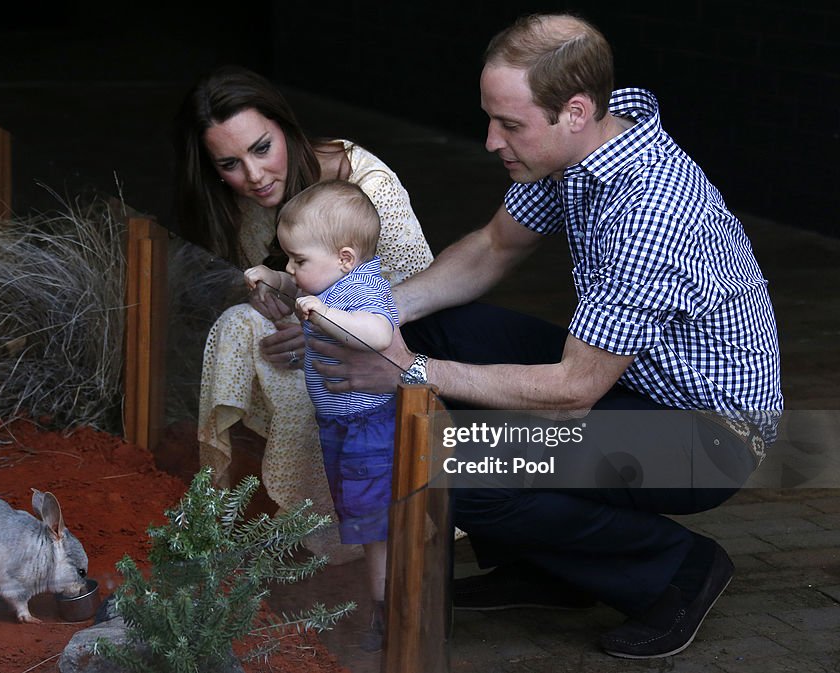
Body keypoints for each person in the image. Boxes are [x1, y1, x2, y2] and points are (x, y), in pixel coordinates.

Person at [310, 12, 783, 659]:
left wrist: (409, 369)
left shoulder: (649, 210)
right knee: (433, 323)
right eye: (490, 118)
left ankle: (677, 567)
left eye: (509, 124)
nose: (490, 140)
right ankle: (556, 565)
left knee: (456, 469)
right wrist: (367, 319)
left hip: (709, 434)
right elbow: (491, 248)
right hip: (632, 380)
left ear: (576, 111)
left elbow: (574, 389)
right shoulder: (582, 153)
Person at [172, 65, 433, 562]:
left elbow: (413, 308)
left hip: (387, 366)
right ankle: (218, 507)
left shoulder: (367, 187)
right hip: (315, 351)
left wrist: (320, 328)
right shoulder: (246, 199)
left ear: (286, 127)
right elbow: (291, 288)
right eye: (228, 163)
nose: (252, 176)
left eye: (262, 148)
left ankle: (341, 538)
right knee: (235, 325)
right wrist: (274, 304)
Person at [245, 179, 398, 652]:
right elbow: (303, 286)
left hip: (369, 425)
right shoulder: (331, 279)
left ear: (345, 258)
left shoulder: (365, 288)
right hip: (339, 424)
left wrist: (322, 315)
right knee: (357, 514)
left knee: (374, 526)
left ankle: (387, 615)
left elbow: (377, 332)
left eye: (297, 259)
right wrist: (274, 280)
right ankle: (382, 602)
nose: (291, 268)